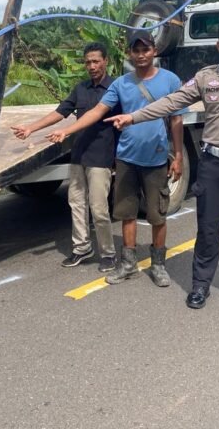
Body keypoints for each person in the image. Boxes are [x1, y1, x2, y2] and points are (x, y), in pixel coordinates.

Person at [106, 19, 219, 316]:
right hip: (213, 166)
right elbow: (172, 102)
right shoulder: (206, 78)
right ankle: (200, 285)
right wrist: (134, 117)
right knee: (207, 231)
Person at [47, 30, 185, 288]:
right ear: (130, 53)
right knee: (126, 214)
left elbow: (176, 120)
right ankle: (128, 264)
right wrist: (67, 130)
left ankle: (158, 265)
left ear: (154, 51)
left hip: (156, 160)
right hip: (126, 159)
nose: (141, 55)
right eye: (136, 50)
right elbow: (97, 112)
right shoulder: (120, 84)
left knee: (157, 215)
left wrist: (178, 156)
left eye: (145, 49)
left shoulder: (170, 80)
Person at [11, 43, 119, 272]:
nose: (91, 66)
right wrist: (31, 128)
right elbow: (60, 112)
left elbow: (103, 117)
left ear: (106, 61)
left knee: (99, 208)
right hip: (79, 155)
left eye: (96, 61)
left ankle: (108, 253)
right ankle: (82, 247)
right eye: (88, 62)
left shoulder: (115, 88)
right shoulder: (81, 88)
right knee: (76, 203)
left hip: (101, 156)